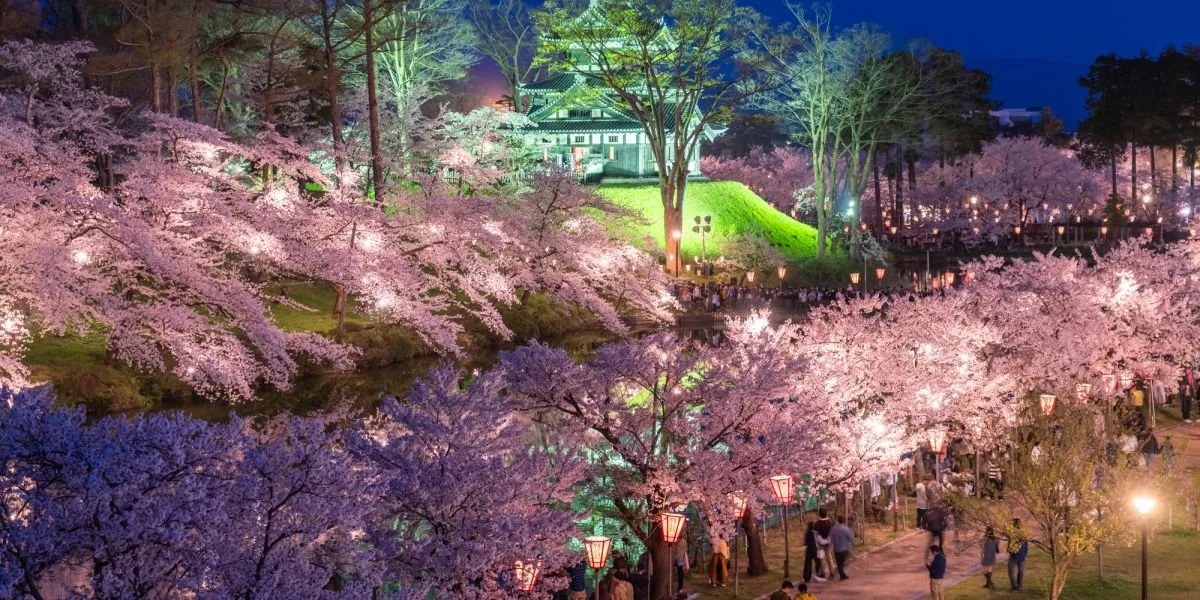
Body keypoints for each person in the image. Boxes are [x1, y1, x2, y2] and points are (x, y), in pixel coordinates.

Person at [829, 515, 854, 580]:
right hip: (845, 549)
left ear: (838, 520)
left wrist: (830, 546)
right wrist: (852, 544)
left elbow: (830, 538)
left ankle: (841, 573)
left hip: (837, 549)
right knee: (842, 563)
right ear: (844, 520)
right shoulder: (846, 529)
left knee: (839, 563)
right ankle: (842, 574)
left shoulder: (833, 528)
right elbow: (851, 538)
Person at [1008, 519, 1029, 591]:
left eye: (1013, 524)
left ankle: (1020, 586)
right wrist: (1010, 551)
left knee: (1021, 572)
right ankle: (1014, 586)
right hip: (1013, 556)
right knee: (1011, 572)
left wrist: (1025, 554)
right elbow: (1010, 544)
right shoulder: (1011, 533)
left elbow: (1026, 545)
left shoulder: (1023, 534)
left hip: (1021, 555)